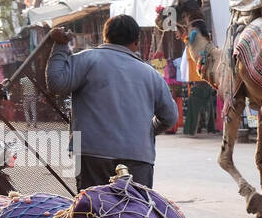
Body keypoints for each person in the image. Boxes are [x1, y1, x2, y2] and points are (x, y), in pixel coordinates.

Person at [46, 14, 177, 189]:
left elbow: (56, 83)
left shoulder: (87, 60)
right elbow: (170, 117)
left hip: (92, 155)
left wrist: (60, 46)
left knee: (93, 213)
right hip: (138, 157)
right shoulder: (151, 74)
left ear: (105, 36)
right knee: (134, 212)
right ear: (136, 42)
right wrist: (149, 130)